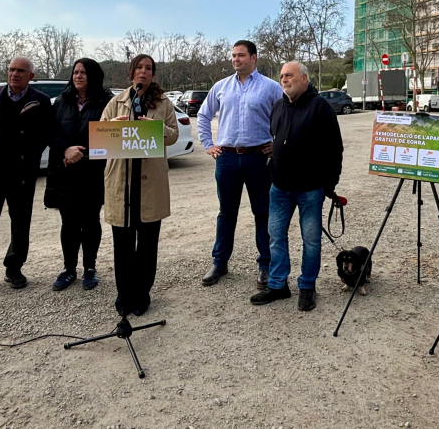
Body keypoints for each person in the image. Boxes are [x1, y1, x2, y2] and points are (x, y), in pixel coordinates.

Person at [0, 56, 64, 298]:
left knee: (20, 224)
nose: (14, 74)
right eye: (11, 69)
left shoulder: (40, 100)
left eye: (20, 71)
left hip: (22, 174)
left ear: (31, 76)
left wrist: (30, 156)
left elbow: (46, 133)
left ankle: (14, 268)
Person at [251, 61, 343, 312]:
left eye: (289, 75)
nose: (284, 79)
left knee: (311, 240)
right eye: (281, 76)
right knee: (275, 237)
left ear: (304, 78)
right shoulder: (278, 106)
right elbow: (276, 138)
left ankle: (307, 286)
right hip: (279, 187)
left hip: (310, 189)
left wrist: (329, 185)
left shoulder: (320, 107)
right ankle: (278, 285)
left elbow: (334, 150)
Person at [196, 40, 283, 288]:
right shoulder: (221, 87)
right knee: (226, 213)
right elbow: (203, 115)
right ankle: (220, 262)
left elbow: (287, 116)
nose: (236, 59)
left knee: (263, 213)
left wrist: (277, 144)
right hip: (227, 158)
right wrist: (208, 144)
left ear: (254, 58)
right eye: (234, 55)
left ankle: (265, 265)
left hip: (259, 158)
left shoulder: (271, 88)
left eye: (241, 55)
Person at [100, 54, 178, 316]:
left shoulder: (164, 103)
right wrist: (111, 127)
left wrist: (156, 128)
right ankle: (124, 295)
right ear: (131, 72)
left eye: (148, 68)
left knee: (147, 245)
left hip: (150, 184)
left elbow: (173, 135)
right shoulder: (116, 102)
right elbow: (100, 138)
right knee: (122, 246)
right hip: (122, 184)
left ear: (153, 74)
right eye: (139, 68)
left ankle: (142, 294)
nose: (143, 72)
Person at [44, 58, 114, 292]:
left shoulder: (107, 101)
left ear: (94, 76)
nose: (78, 76)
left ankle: (90, 268)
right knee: (69, 222)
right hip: (64, 171)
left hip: (93, 172)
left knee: (90, 221)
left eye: (83, 72)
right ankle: (69, 269)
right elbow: (50, 131)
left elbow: (111, 135)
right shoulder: (61, 101)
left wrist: (82, 153)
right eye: (75, 72)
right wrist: (66, 149)